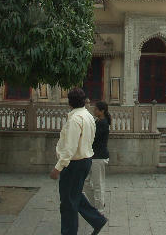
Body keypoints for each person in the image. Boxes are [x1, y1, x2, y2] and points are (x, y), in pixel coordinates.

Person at [49, 87, 108, 235]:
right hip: (86, 159)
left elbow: (70, 147)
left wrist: (58, 167)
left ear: (70, 102)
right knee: (75, 195)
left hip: (74, 163)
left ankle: (69, 232)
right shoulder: (87, 116)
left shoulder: (75, 119)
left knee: (68, 202)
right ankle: (97, 219)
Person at [85, 101, 111, 214]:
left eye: (96, 109)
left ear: (102, 111)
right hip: (93, 155)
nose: (94, 111)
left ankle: (99, 209)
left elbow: (93, 137)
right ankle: (97, 203)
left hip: (99, 157)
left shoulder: (103, 123)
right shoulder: (98, 121)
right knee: (85, 182)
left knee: (98, 183)